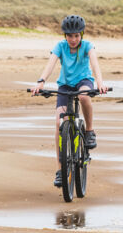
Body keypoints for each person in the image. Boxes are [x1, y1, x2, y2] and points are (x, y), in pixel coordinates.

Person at [33, 14, 108, 187]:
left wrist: (100, 83)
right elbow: (50, 64)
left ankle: (89, 131)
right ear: (64, 35)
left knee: (83, 96)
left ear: (81, 34)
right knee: (59, 122)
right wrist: (41, 81)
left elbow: (95, 64)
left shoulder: (88, 46)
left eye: (76, 35)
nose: (73, 39)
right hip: (65, 86)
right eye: (69, 36)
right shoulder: (60, 46)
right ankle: (60, 170)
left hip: (83, 82)